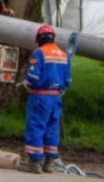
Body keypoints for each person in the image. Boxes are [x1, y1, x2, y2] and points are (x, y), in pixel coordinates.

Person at [18, 24, 72, 174]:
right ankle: (49, 163)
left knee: (36, 126)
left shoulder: (39, 53)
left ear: (39, 39)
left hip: (40, 97)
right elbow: (68, 81)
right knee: (52, 128)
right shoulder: (63, 55)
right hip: (56, 98)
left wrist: (26, 84)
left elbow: (33, 76)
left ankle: (35, 163)